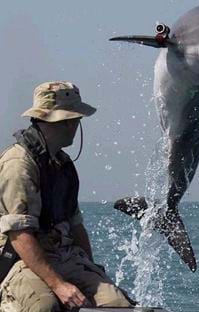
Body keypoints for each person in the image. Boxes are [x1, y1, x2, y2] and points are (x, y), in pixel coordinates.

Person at [0, 81, 133, 311]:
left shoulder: (63, 164)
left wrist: (91, 270)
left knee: (118, 305)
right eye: (75, 119)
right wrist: (59, 285)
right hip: (19, 260)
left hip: (62, 254)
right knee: (45, 306)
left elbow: (74, 224)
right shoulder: (18, 164)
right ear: (65, 121)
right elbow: (20, 235)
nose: (77, 124)